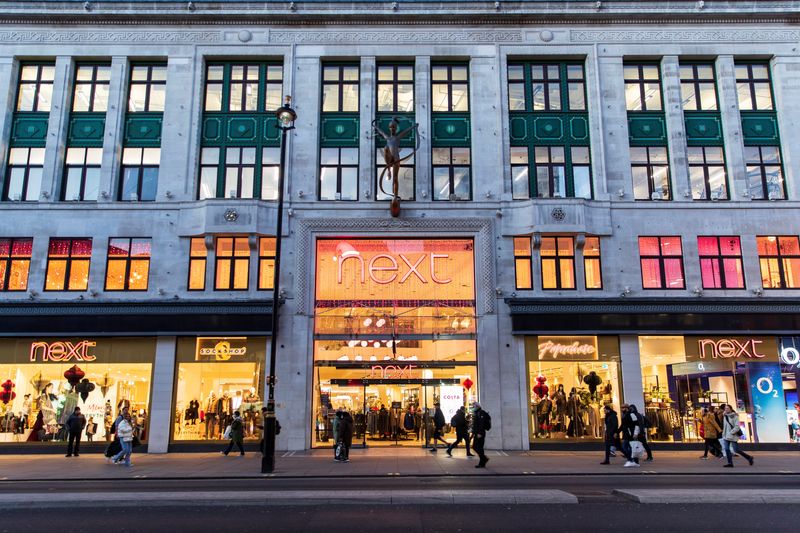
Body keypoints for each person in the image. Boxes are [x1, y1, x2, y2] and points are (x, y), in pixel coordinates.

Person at [721, 404, 754, 468]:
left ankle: (749, 457)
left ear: (731, 409)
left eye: (727, 408)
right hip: (725, 435)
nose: (726, 410)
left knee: (736, 450)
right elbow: (725, 426)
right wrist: (724, 433)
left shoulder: (735, 416)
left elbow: (737, 427)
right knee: (727, 449)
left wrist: (731, 433)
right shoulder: (725, 416)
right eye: (725, 408)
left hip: (732, 435)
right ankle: (730, 463)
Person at [471, 402, 491, 468]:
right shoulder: (477, 413)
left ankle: (483, 461)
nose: (472, 408)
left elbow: (481, 424)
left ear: (477, 406)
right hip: (477, 433)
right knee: (475, 447)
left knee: (478, 447)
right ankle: (483, 460)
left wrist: (480, 433)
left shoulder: (481, 413)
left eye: (473, 407)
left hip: (480, 433)